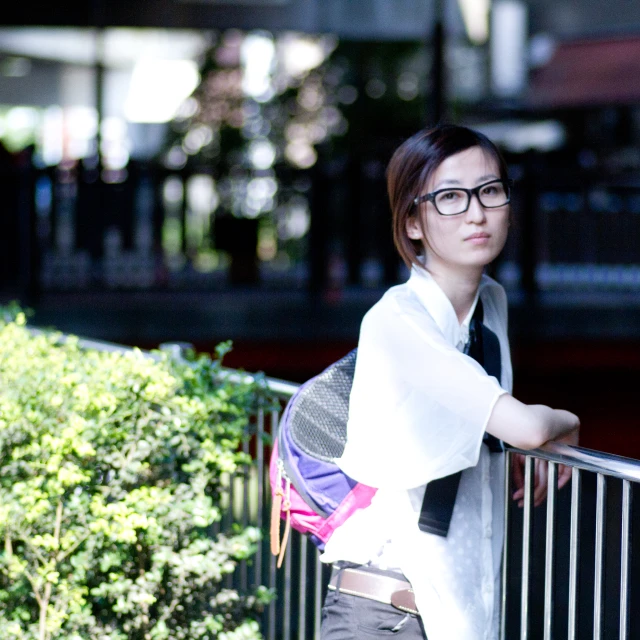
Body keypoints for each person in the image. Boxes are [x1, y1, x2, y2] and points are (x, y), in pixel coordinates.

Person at [319, 124, 580, 640]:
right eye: (450, 197)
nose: (477, 212)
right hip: (382, 615)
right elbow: (525, 429)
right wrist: (565, 421)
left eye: (489, 191)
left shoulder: (491, 305)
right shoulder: (397, 320)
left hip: (455, 613)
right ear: (413, 221)